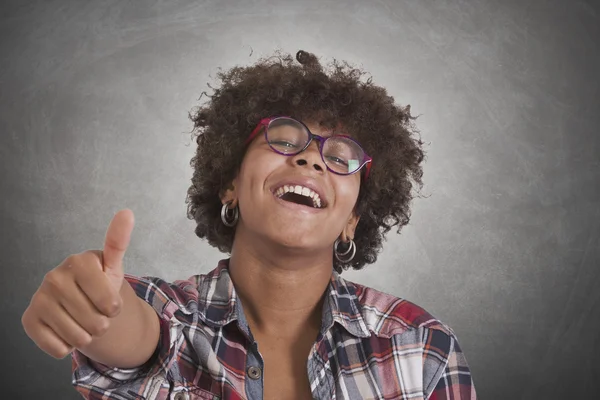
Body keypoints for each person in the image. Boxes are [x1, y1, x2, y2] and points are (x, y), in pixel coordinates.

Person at [21, 50, 477, 400]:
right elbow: (134, 334)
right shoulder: (168, 315)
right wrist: (100, 314)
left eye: (340, 158)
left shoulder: (421, 347)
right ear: (230, 186)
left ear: (353, 220)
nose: (311, 158)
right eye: (281, 139)